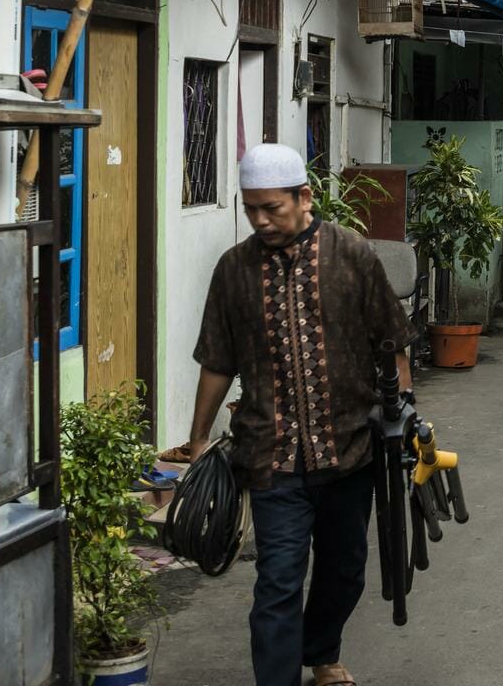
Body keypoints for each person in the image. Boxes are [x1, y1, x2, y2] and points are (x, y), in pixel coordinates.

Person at [189, 143, 412, 686]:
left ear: (304, 197)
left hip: (351, 452)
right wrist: (197, 441)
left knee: (344, 573)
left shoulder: (352, 254)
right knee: (278, 582)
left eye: (273, 208)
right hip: (271, 458)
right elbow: (217, 360)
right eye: (251, 210)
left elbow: (393, 345)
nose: (261, 220)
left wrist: (403, 421)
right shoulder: (233, 271)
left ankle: (321, 652)